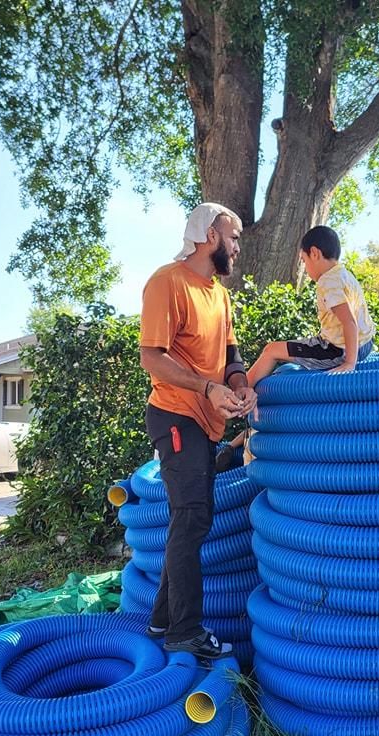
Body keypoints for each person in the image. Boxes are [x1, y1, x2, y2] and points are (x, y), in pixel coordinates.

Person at [139, 202, 256, 661]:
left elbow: (231, 353)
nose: (237, 246)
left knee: (192, 518)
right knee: (192, 516)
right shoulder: (167, 282)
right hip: (175, 415)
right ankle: (184, 631)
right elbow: (153, 357)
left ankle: (163, 620)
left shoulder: (218, 295)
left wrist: (239, 385)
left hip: (207, 420)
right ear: (209, 234)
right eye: (234, 237)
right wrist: (206, 387)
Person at [246, 225, 375, 385]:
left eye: (304, 261)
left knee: (271, 350)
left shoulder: (328, 282)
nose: (305, 269)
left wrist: (349, 363)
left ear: (314, 253)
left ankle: (239, 394)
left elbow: (349, 321)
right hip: (365, 344)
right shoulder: (345, 275)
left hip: (339, 350)